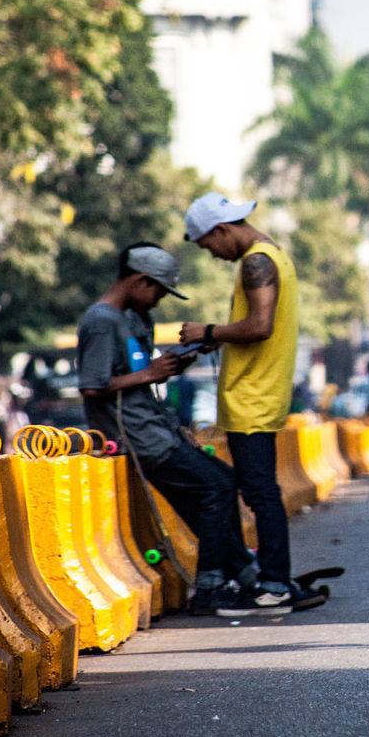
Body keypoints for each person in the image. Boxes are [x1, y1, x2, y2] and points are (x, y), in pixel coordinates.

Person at [76, 243, 260, 616]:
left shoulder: (129, 320)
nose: (159, 300)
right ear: (139, 280)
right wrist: (150, 374)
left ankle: (244, 573)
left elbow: (139, 377)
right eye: (158, 290)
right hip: (138, 438)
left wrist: (176, 363)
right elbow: (93, 386)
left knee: (213, 487)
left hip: (157, 429)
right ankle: (212, 586)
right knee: (217, 486)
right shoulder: (101, 320)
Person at [179, 192, 322, 614]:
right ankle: (268, 577)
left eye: (209, 245)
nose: (214, 255)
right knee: (258, 491)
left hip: (252, 397)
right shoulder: (273, 255)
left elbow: (259, 326)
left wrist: (207, 331)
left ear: (221, 231)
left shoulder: (255, 262)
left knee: (260, 493)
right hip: (259, 393)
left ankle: (275, 583)